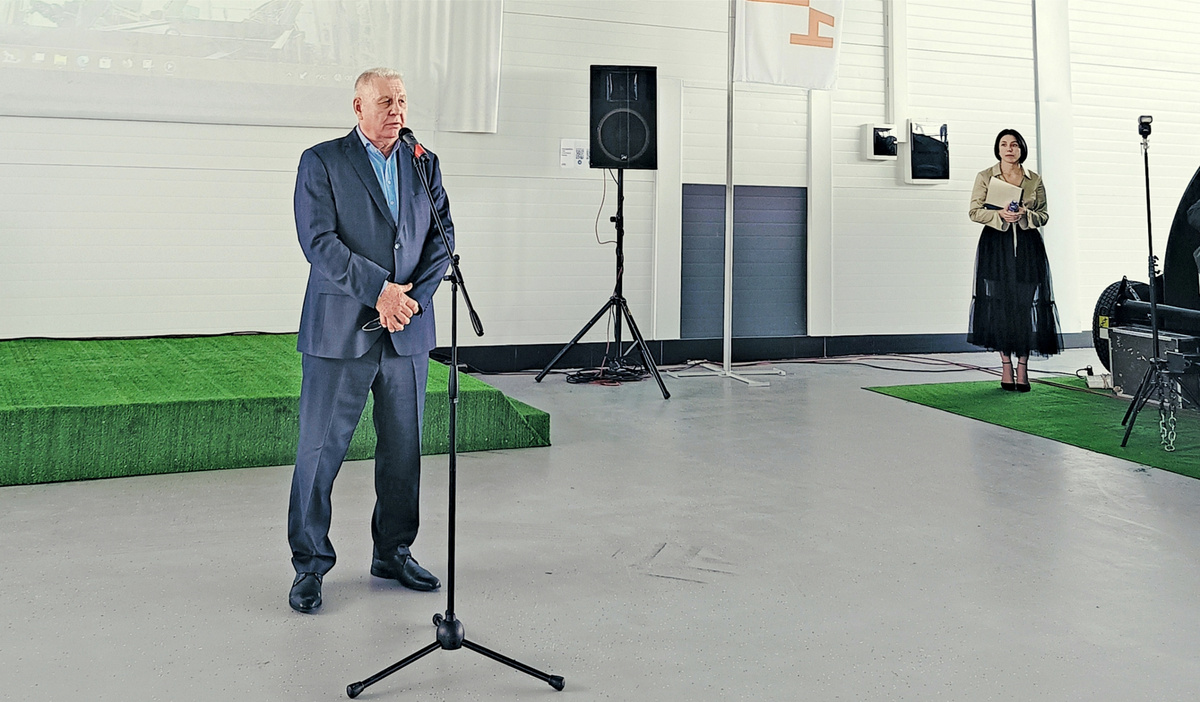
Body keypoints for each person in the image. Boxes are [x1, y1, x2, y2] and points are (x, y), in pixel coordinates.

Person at [287, 67, 453, 613]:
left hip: (406, 331)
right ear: (358, 107)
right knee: (319, 451)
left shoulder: (423, 162)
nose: (397, 111)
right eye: (386, 102)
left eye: (402, 101)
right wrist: (380, 291)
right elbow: (319, 241)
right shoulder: (322, 161)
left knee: (404, 451)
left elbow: (443, 237)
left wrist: (411, 301)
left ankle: (393, 551)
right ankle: (310, 565)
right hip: (340, 333)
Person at [967, 128, 1062, 391]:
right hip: (996, 246)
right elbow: (974, 211)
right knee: (1000, 306)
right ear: (998, 149)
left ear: (1021, 149)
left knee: (1024, 305)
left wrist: (1024, 214)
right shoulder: (986, 176)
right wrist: (999, 215)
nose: (1009, 149)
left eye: (1014, 144)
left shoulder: (1034, 179)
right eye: (1004, 144)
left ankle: (1023, 366)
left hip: (1028, 246)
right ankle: (1005, 365)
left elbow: (1043, 215)